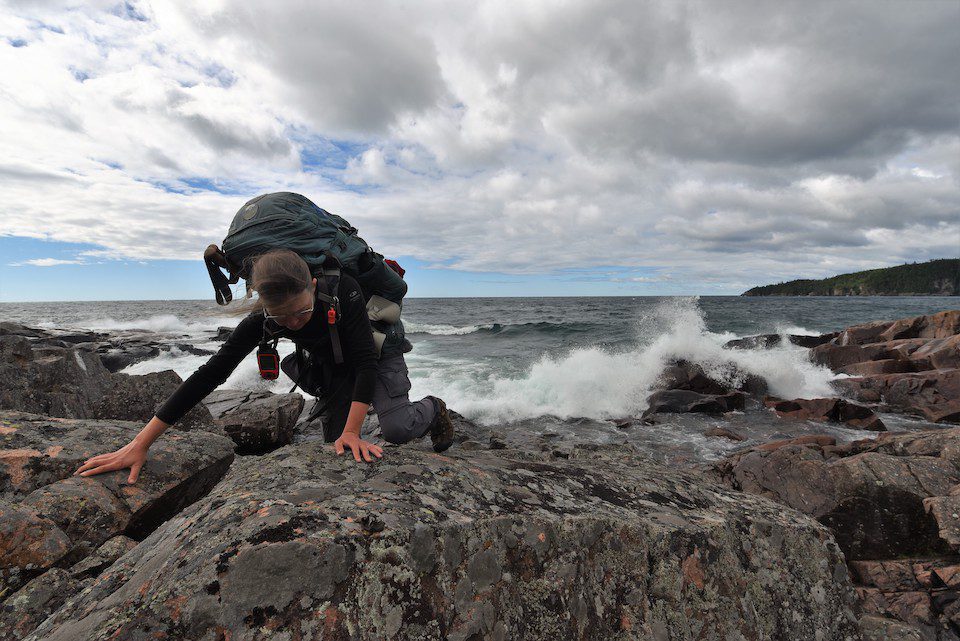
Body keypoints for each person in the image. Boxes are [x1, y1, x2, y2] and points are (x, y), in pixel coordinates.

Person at [75, 249, 454, 483]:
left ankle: (433, 409)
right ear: (264, 304)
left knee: (396, 428)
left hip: (376, 352)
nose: (294, 323)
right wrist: (139, 444)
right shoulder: (262, 319)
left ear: (313, 285)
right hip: (331, 367)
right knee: (336, 454)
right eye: (281, 316)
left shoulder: (344, 291)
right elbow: (210, 375)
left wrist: (354, 431)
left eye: (302, 311)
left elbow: (366, 364)